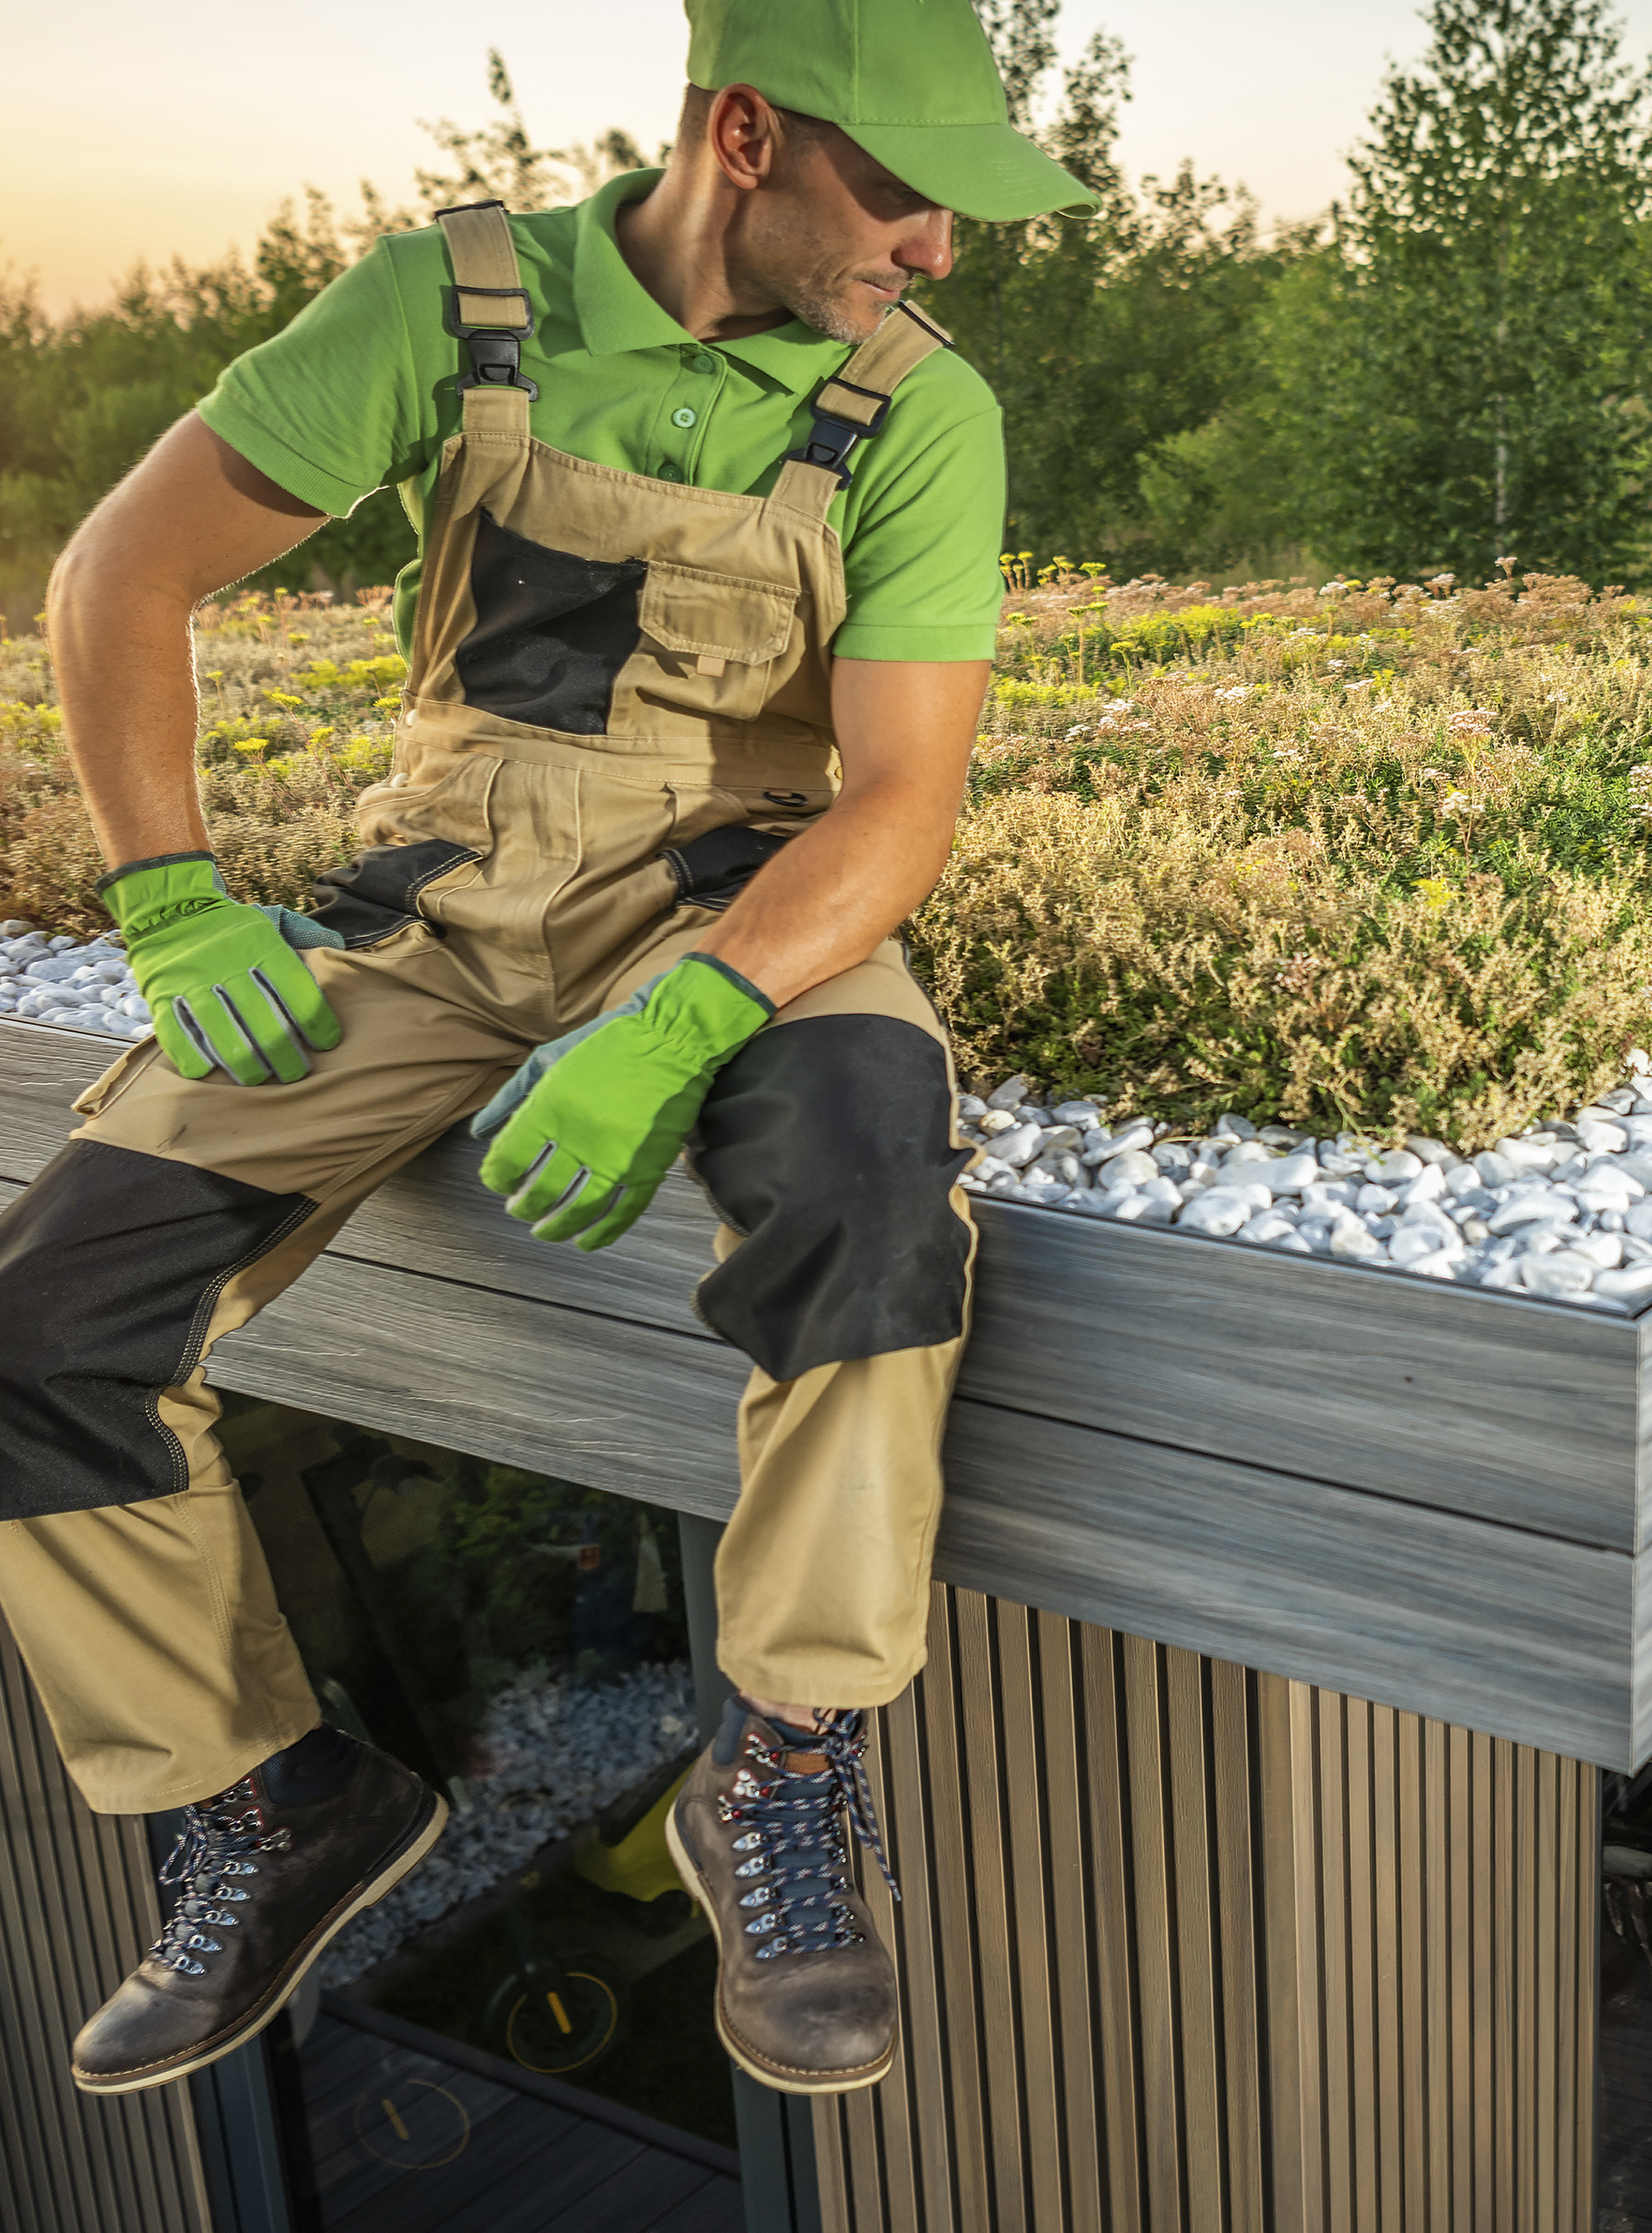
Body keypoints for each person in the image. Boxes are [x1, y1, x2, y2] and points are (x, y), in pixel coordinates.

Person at [0, 0, 1092, 2100]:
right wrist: (170, 890)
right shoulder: (453, 300)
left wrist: (688, 1012)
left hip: (742, 900)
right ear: (747, 135)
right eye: (903, 189)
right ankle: (271, 1796)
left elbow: (895, 803)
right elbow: (122, 570)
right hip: (441, 900)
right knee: (47, 1324)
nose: (940, 246)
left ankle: (775, 1759)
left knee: (871, 1184)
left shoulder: (916, 409)